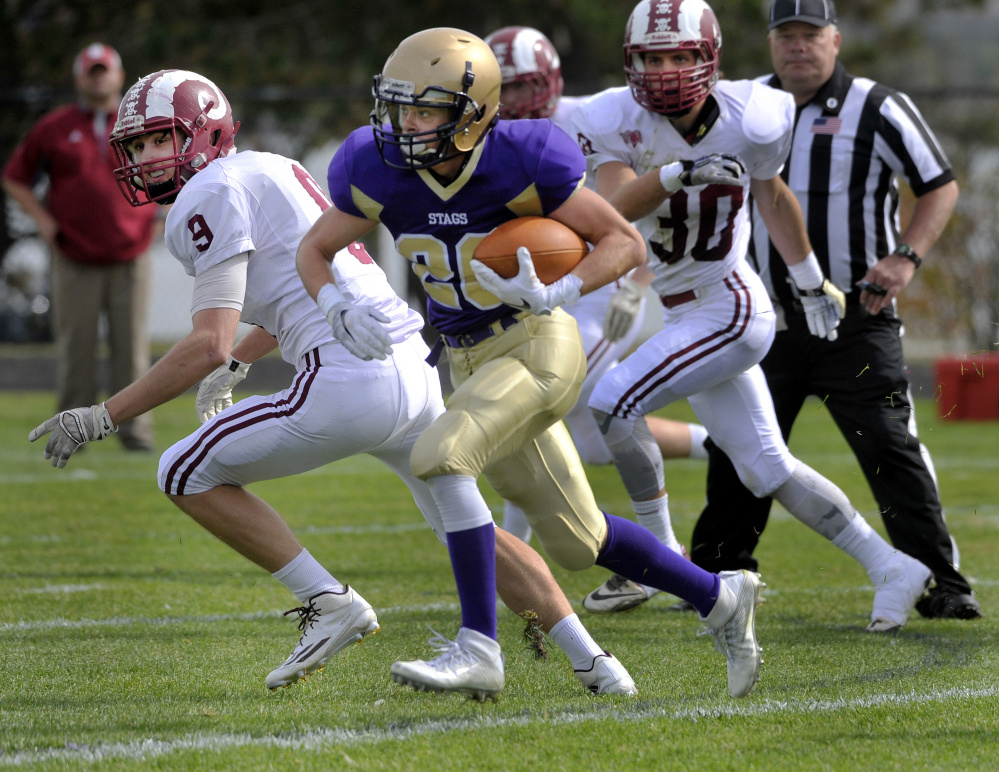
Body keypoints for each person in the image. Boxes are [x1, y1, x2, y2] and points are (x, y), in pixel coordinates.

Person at [26, 68, 640, 698]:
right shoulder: (269, 167)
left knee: (181, 471)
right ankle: (596, 663)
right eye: (136, 147)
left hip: (349, 379)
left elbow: (204, 342)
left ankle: (327, 601)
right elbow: (288, 298)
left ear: (203, 134)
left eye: (159, 141)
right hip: (412, 367)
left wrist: (101, 415)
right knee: (469, 529)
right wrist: (238, 363)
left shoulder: (205, 195)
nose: (146, 159)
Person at [296, 27, 766, 702]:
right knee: (580, 540)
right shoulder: (376, 167)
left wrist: (561, 289)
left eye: (425, 109)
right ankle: (719, 600)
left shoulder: (520, 159)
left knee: (441, 456)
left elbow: (622, 241)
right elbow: (315, 251)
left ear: (474, 113)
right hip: (467, 358)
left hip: (535, 340)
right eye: (400, 107)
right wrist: (335, 305)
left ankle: (478, 647)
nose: (407, 123)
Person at [572, 0, 933, 630]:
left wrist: (809, 279)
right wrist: (678, 174)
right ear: (631, 62)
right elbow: (613, 209)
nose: (664, 71)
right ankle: (892, 567)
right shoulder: (611, 117)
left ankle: (655, 558)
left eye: (680, 56)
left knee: (608, 402)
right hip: (684, 309)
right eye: (652, 58)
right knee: (767, 467)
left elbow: (771, 196)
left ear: (708, 58)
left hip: (729, 306)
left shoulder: (755, 116)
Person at [686, 0, 981, 620]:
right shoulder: (740, 106)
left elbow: (940, 185)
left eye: (810, 35)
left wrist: (905, 257)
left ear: (836, 40)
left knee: (888, 444)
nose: (798, 47)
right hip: (765, 318)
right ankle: (717, 575)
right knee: (737, 444)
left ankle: (941, 581)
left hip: (856, 317)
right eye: (785, 35)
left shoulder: (878, 105)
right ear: (770, 44)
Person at [484, 25, 710, 551]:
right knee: (596, 442)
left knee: (530, 402)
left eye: (524, 85)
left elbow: (646, 209)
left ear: (550, 80)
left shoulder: (590, 121)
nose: (515, 99)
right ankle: (719, 446)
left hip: (603, 289)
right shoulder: (488, 135)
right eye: (506, 87)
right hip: (541, 289)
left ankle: (513, 549)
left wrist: (638, 283)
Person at [2, 43, 158, 451]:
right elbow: (15, 177)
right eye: (92, 71)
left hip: (131, 254)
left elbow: (164, 167)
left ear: (120, 77)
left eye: (105, 70)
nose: (99, 78)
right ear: (79, 79)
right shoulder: (55, 127)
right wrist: (44, 220)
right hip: (74, 257)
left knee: (132, 350)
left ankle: (136, 433)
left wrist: (159, 216)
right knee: (77, 351)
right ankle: (73, 432)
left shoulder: (139, 125)